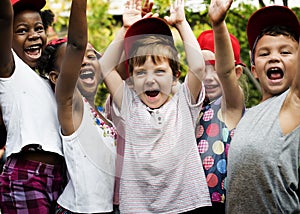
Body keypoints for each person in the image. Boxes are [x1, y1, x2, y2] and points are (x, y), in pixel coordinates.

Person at [100, 0, 211, 212]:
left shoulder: (183, 104)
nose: (150, 80)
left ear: (175, 76)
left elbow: (197, 65)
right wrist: (125, 29)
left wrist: (181, 23)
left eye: (160, 71)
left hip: (188, 205)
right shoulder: (129, 106)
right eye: (141, 72)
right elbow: (105, 66)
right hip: (139, 208)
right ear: (131, 80)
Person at [37, 0, 117, 212]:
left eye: (91, 57)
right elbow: (76, 44)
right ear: (56, 77)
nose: (85, 61)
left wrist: (126, 28)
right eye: (76, 60)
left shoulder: (100, 114)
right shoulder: (72, 106)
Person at [226, 5, 300, 213]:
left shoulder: (292, 103)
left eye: (285, 52)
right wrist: (218, 23)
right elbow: (225, 72)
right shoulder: (248, 114)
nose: (274, 58)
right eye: (264, 53)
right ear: (254, 70)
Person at [0, 0, 65, 213]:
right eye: (21, 30)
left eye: (39, 28)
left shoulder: (49, 81)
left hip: (58, 177)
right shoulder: (9, 69)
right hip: (26, 175)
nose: (34, 34)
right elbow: (3, 19)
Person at [195, 0, 246, 213]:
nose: (208, 78)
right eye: (202, 68)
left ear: (237, 73)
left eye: (214, 68)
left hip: (222, 203)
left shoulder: (230, 105)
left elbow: (225, 74)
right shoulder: (190, 106)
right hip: (190, 200)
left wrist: (218, 25)